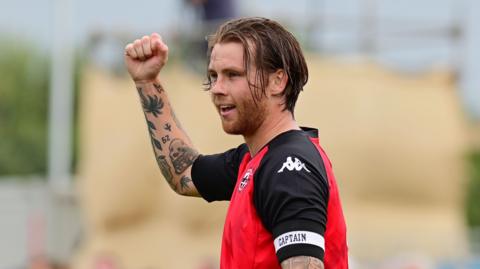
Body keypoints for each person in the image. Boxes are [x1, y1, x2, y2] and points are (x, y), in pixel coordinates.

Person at [124, 17, 348, 269]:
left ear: (278, 81)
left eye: (233, 75)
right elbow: (182, 171)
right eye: (213, 75)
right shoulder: (255, 160)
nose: (217, 88)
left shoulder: (289, 168)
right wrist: (147, 81)